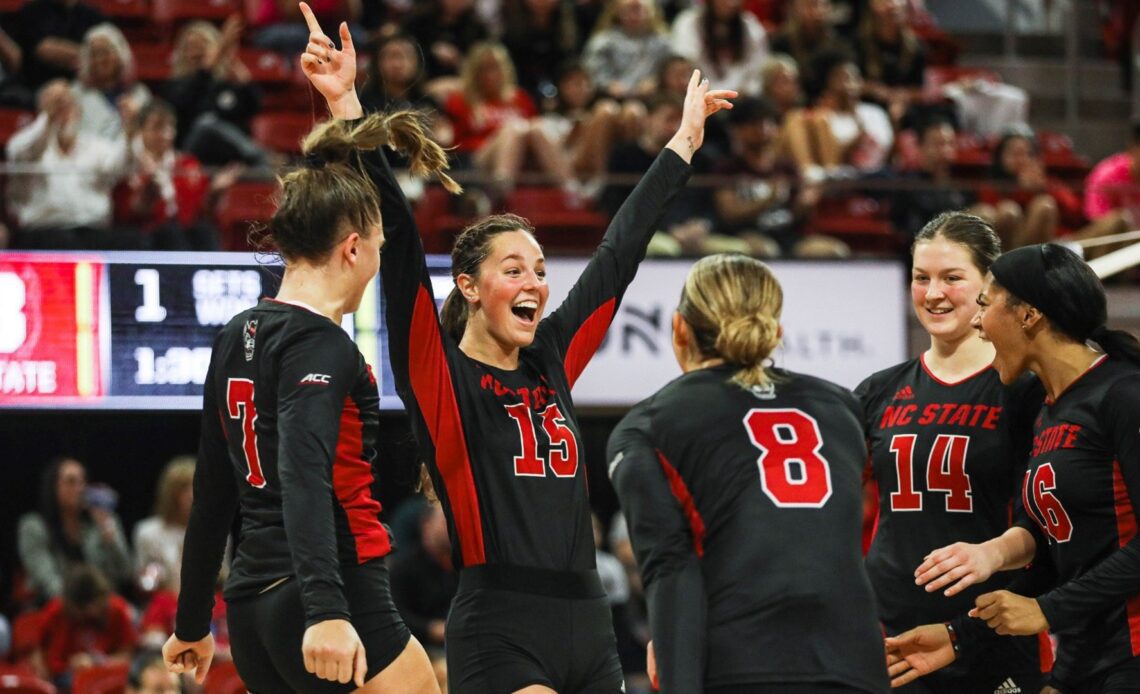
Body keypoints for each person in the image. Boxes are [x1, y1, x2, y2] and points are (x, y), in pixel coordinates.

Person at [378, 34, 734, 688]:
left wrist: (682, 145)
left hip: (590, 622)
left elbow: (616, 257)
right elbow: (399, 252)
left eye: (540, 271)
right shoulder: (441, 379)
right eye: (513, 270)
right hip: (500, 628)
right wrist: (350, 110)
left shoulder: (552, 360)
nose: (536, 284)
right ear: (466, 285)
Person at [161, 7, 445, 693]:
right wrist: (325, 610)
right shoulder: (326, 346)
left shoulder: (237, 334)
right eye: (374, 247)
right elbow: (304, 472)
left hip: (252, 609)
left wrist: (193, 619)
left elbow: (212, 491)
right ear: (352, 246)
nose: (380, 259)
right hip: (330, 594)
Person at [607, 253, 889, 693]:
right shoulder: (843, 408)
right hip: (857, 665)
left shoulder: (648, 425)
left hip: (740, 664)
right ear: (775, 331)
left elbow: (671, 572)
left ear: (678, 328)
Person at [895, 242, 1140, 693]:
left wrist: (1047, 611)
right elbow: (1059, 554)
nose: (977, 322)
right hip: (1083, 655)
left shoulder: (1124, 395)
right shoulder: (1048, 412)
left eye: (985, 305)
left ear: (1028, 315)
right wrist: (959, 636)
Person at [855, 211, 1046, 693]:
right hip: (890, 636)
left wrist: (993, 559)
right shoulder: (878, 390)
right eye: (922, 278)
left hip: (994, 630)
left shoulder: (1025, 392)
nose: (933, 293)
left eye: (952, 278)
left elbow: (1052, 530)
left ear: (990, 284)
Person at [7, 79, 138, 250]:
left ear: (79, 111)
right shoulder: (25, 143)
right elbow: (23, 153)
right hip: (45, 231)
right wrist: (48, 119)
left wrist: (129, 129)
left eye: (68, 105)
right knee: (64, 242)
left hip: (93, 231)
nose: (63, 111)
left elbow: (119, 167)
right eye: (56, 105)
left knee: (134, 241)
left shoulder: (96, 145)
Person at [17, 457, 132, 603]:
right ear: (53, 487)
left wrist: (108, 531)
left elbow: (125, 572)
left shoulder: (99, 524)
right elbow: (48, 581)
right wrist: (80, 607)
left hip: (100, 607)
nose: (80, 488)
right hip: (55, 607)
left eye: (83, 481)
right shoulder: (34, 527)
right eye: (71, 482)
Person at [32, 564, 137, 690]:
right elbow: (38, 652)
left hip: (105, 675)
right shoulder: (56, 612)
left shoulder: (116, 610)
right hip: (63, 678)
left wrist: (96, 662)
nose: (101, 606)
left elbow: (126, 656)